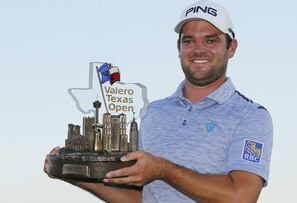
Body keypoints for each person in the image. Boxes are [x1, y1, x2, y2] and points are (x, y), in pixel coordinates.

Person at [44, 0, 273, 202]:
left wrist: (163, 169)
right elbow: (142, 198)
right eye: (189, 41)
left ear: (231, 48)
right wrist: (76, 175)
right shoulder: (154, 112)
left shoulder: (250, 115)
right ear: (179, 48)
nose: (198, 49)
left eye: (211, 40)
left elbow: (241, 197)